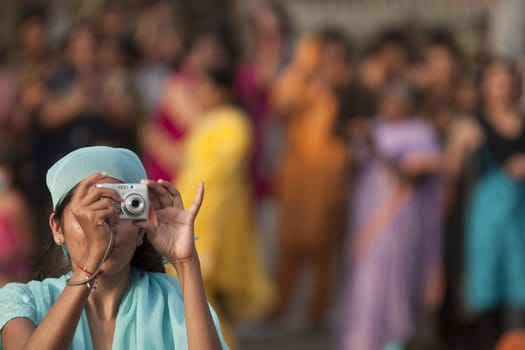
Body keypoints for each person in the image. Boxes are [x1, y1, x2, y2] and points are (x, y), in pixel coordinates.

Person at [0, 146, 228, 349]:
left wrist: (186, 262)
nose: (106, 224)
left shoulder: (175, 299)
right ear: (57, 228)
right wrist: (91, 261)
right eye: (92, 210)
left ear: (141, 228)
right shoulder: (22, 300)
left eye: (121, 208)